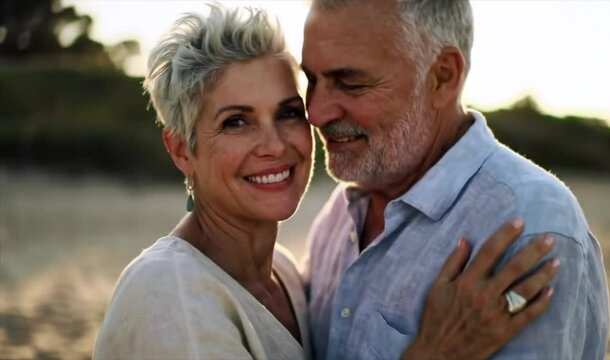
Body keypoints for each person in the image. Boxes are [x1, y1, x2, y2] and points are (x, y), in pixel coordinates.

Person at [93, 2, 557, 359]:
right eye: (237, 122)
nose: (275, 144)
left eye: (289, 112)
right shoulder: (168, 292)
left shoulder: (289, 276)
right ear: (181, 149)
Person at [301, 0, 610, 359]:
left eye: (351, 84)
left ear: (442, 76)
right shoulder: (340, 211)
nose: (315, 112)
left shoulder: (531, 224)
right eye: (310, 79)